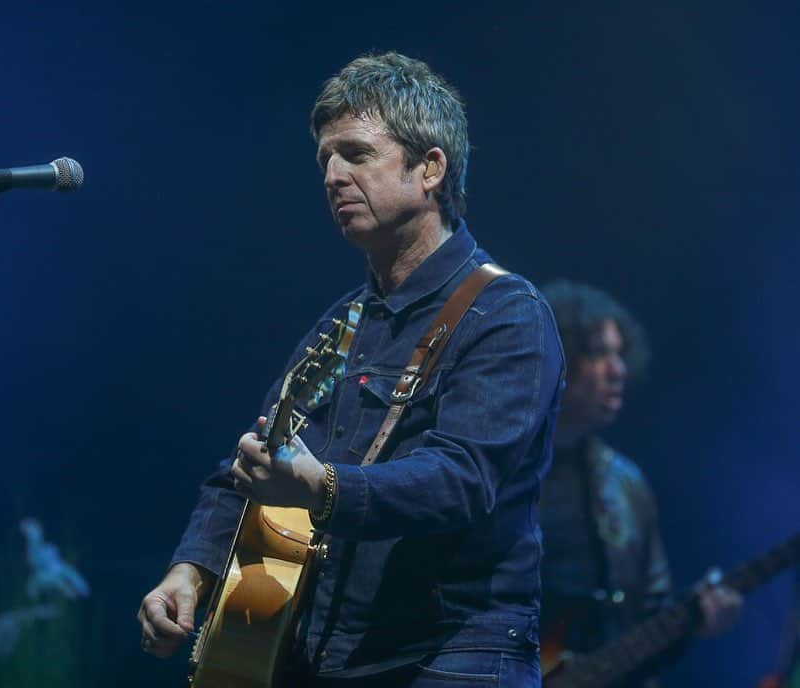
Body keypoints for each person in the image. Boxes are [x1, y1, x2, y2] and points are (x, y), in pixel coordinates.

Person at [138, 51, 564, 687]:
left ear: (430, 169)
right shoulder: (341, 323)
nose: (333, 175)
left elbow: (463, 478)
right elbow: (249, 467)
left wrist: (323, 488)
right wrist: (190, 570)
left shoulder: (508, 314)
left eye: (356, 154)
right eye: (325, 161)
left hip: (454, 659)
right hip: (329, 660)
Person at [539, 279, 742, 686]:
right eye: (598, 353)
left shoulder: (624, 484)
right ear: (555, 359)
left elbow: (647, 620)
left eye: (620, 353)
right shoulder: (500, 469)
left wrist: (695, 620)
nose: (618, 369)